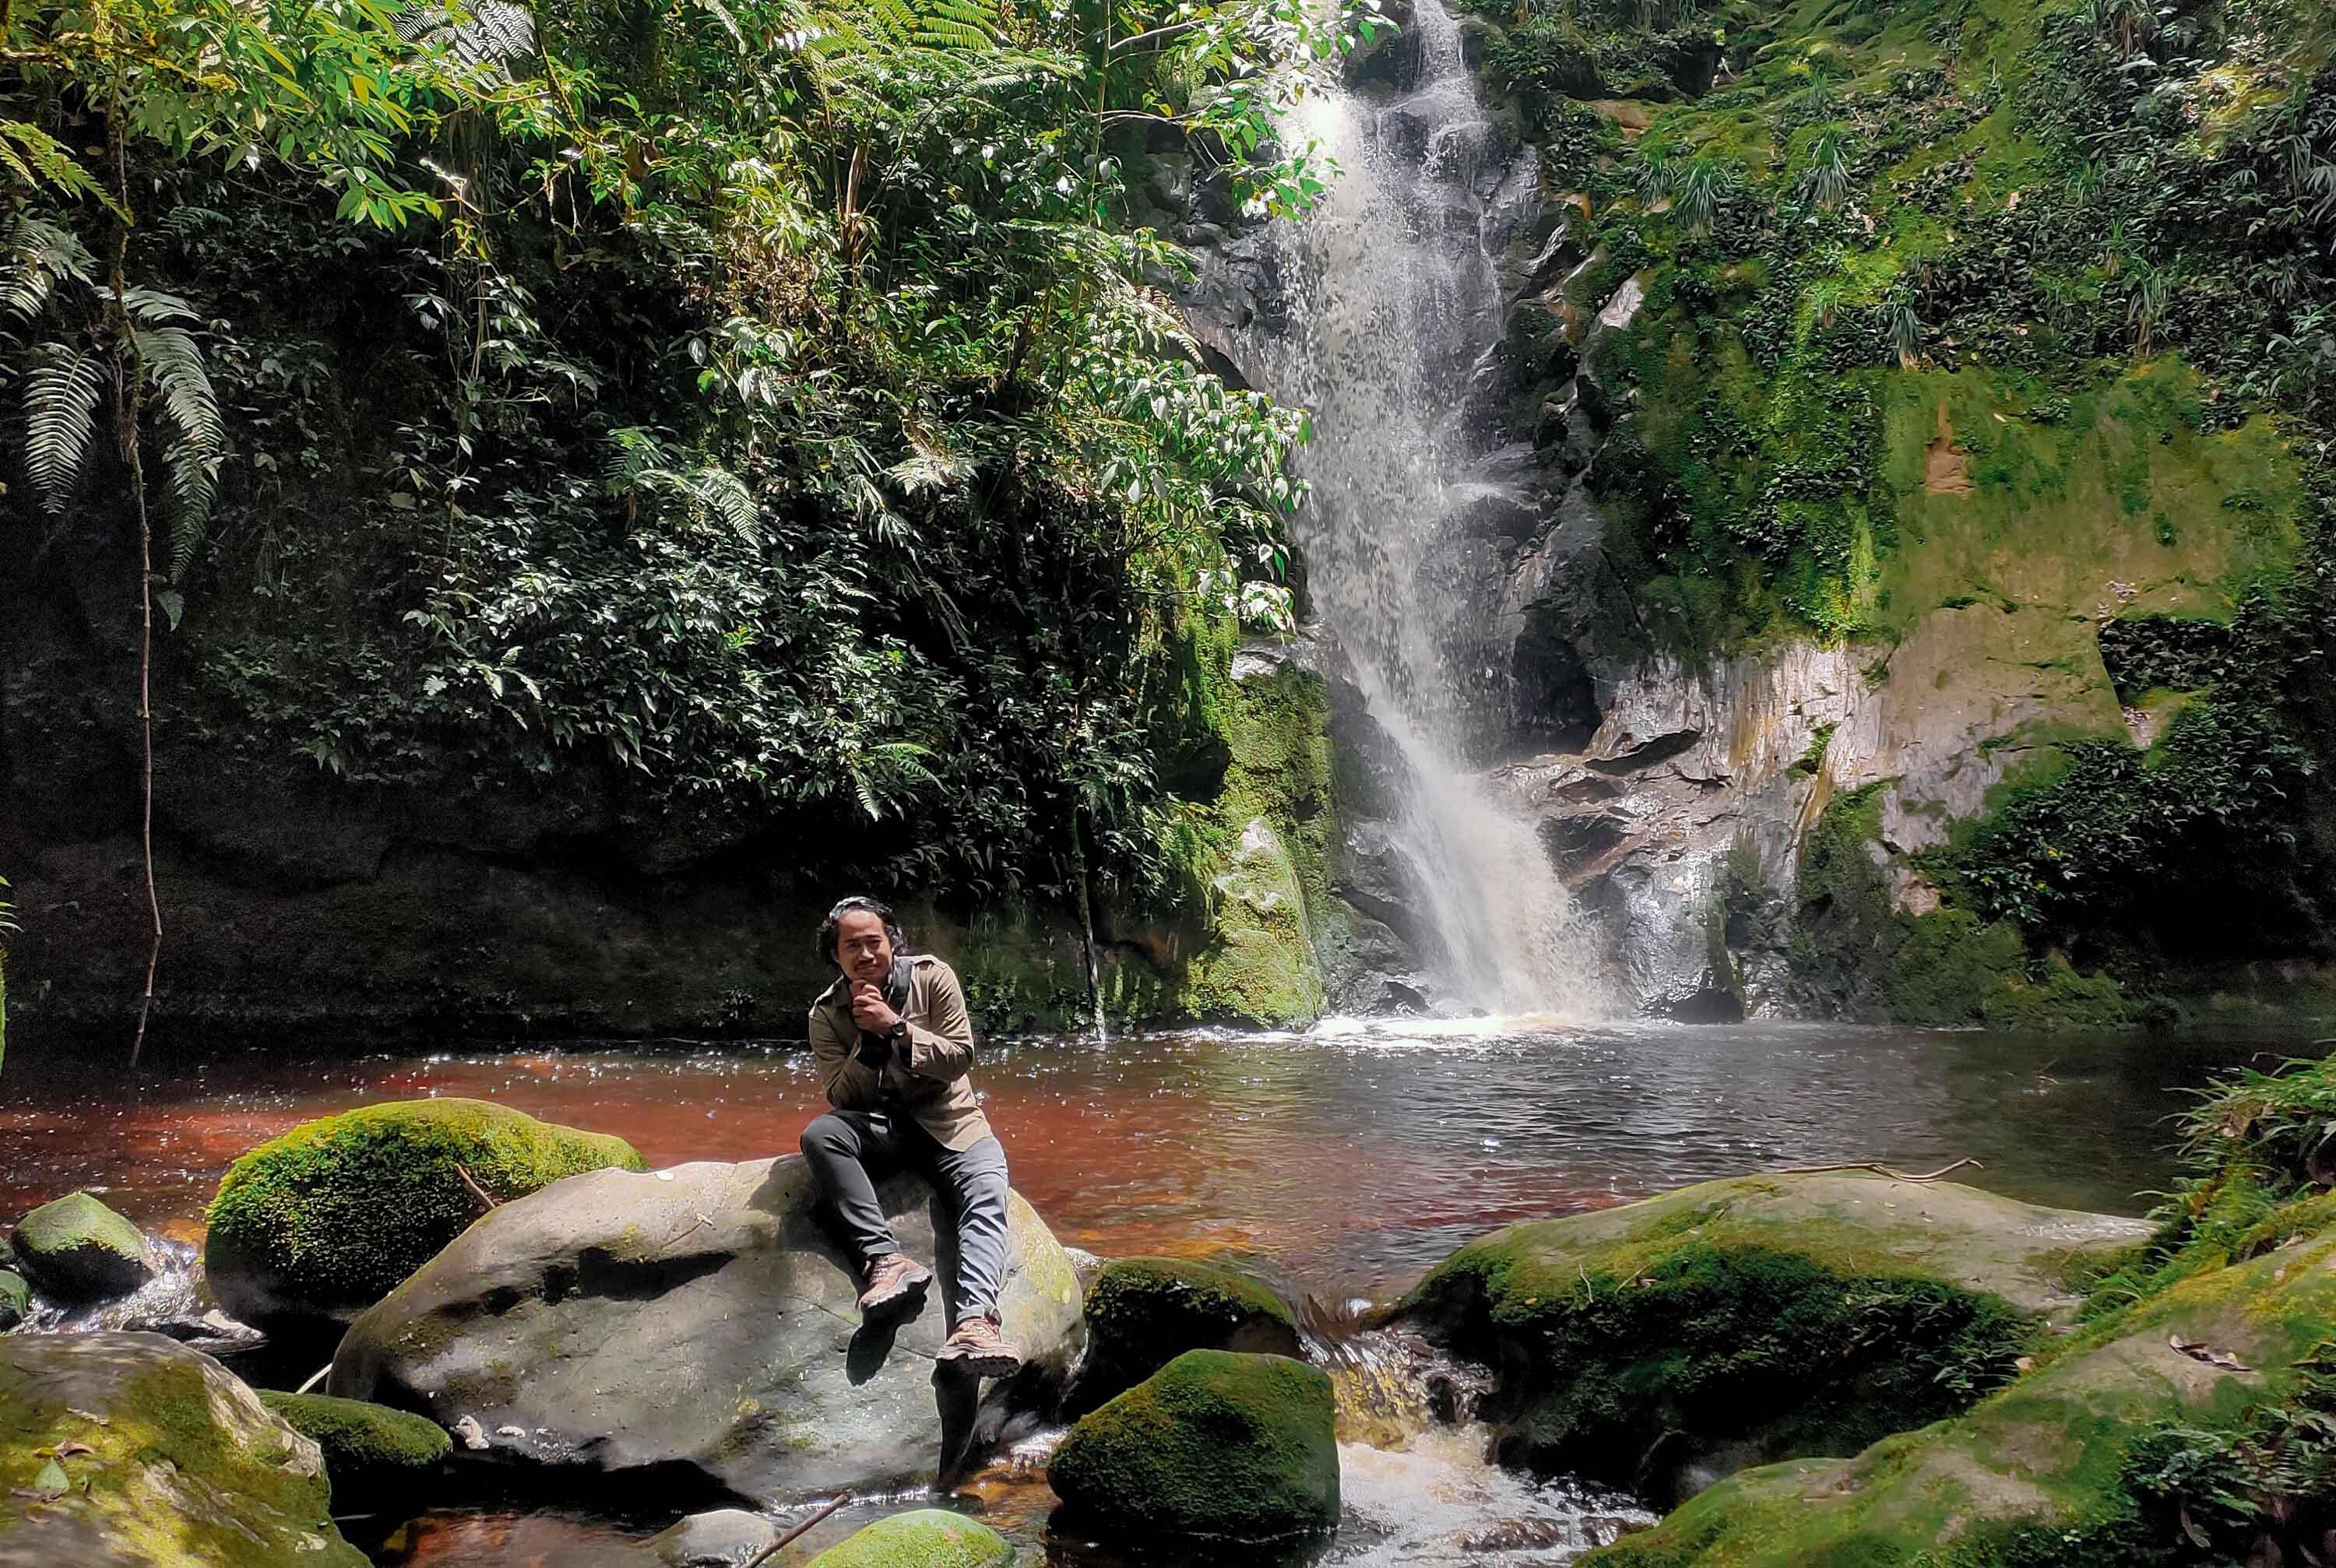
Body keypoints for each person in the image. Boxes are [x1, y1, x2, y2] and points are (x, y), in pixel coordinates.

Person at [799, 896, 1022, 1377]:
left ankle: (975, 1324)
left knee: (987, 1191)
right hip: (884, 1129)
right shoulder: (825, 1014)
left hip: (952, 1122)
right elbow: (841, 1097)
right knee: (821, 1134)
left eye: (873, 942)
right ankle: (885, 1261)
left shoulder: (932, 977)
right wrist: (868, 1043)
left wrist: (897, 1029)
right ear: (835, 956)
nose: (865, 955)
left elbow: (960, 1057)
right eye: (851, 946)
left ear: (892, 942)